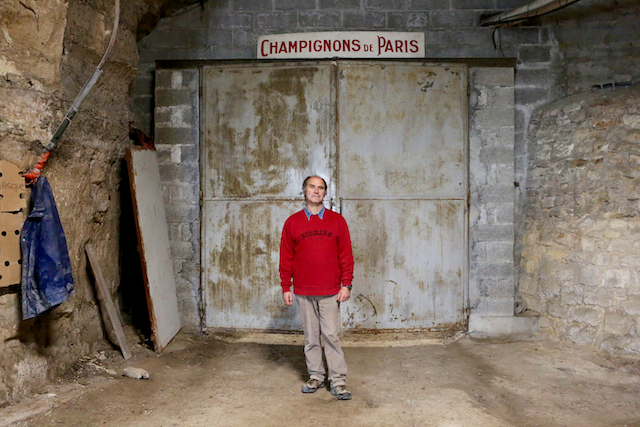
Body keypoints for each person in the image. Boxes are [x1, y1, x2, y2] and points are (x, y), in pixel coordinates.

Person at [279, 175, 354, 400]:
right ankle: (316, 376)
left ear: (324, 193)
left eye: (320, 188)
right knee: (311, 337)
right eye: (312, 187)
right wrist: (286, 286)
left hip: (331, 290)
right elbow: (286, 257)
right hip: (303, 290)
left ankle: (338, 381)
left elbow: (346, 255)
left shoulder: (337, 221)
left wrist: (346, 284)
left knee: (331, 335)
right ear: (304, 190)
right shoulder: (292, 223)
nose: (316, 191)